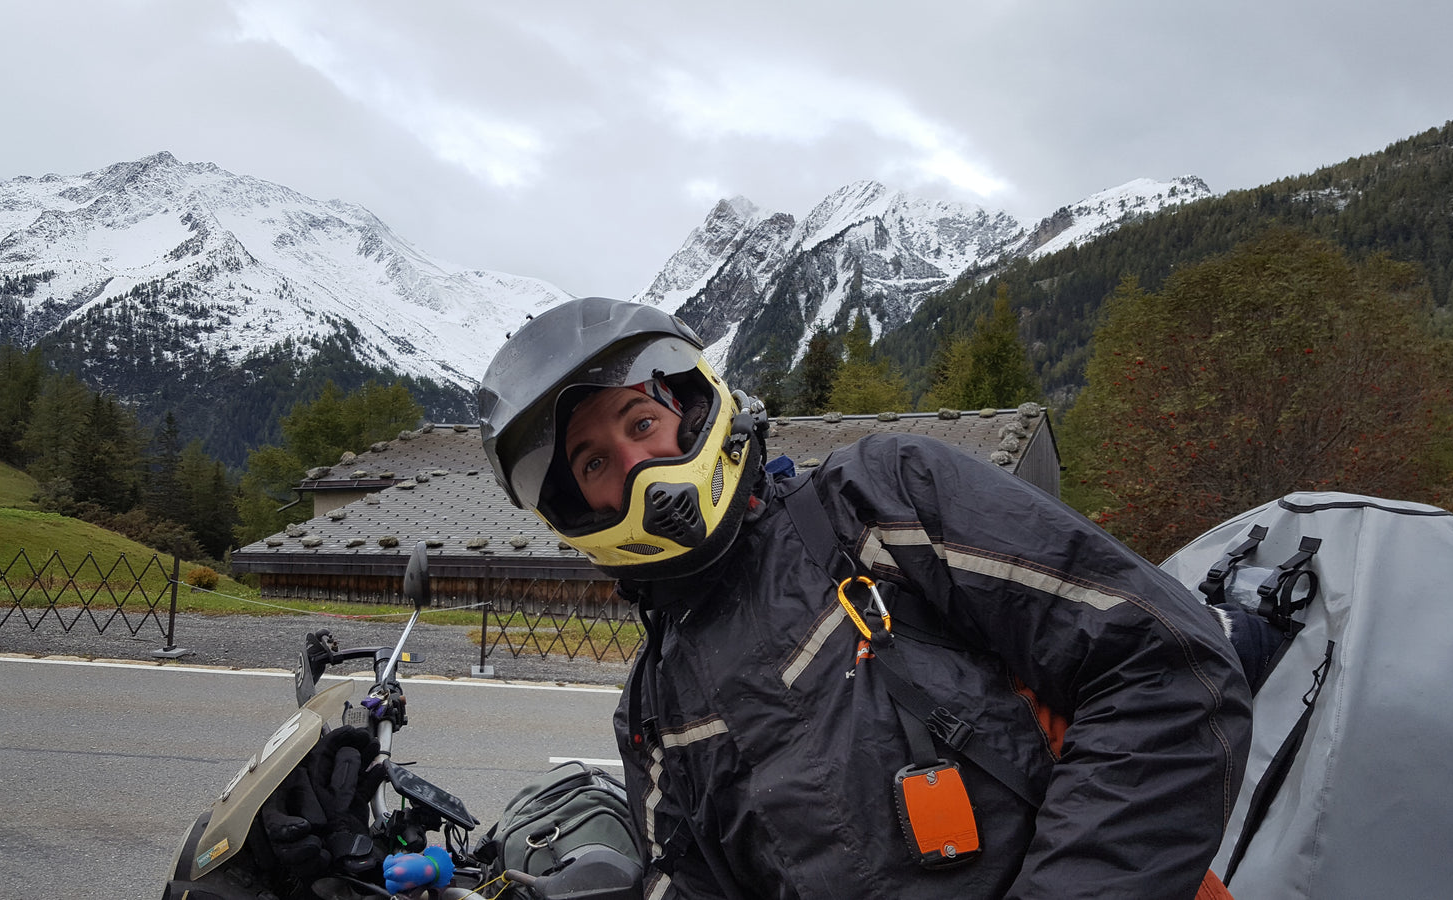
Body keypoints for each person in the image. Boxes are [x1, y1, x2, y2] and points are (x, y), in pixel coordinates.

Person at [479, 296, 1253, 900]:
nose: (637, 464)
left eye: (642, 420)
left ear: (693, 407)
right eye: (594, 463)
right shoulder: (654, 713)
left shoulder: (880, 504)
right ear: (576, 507)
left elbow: (1167, 672)